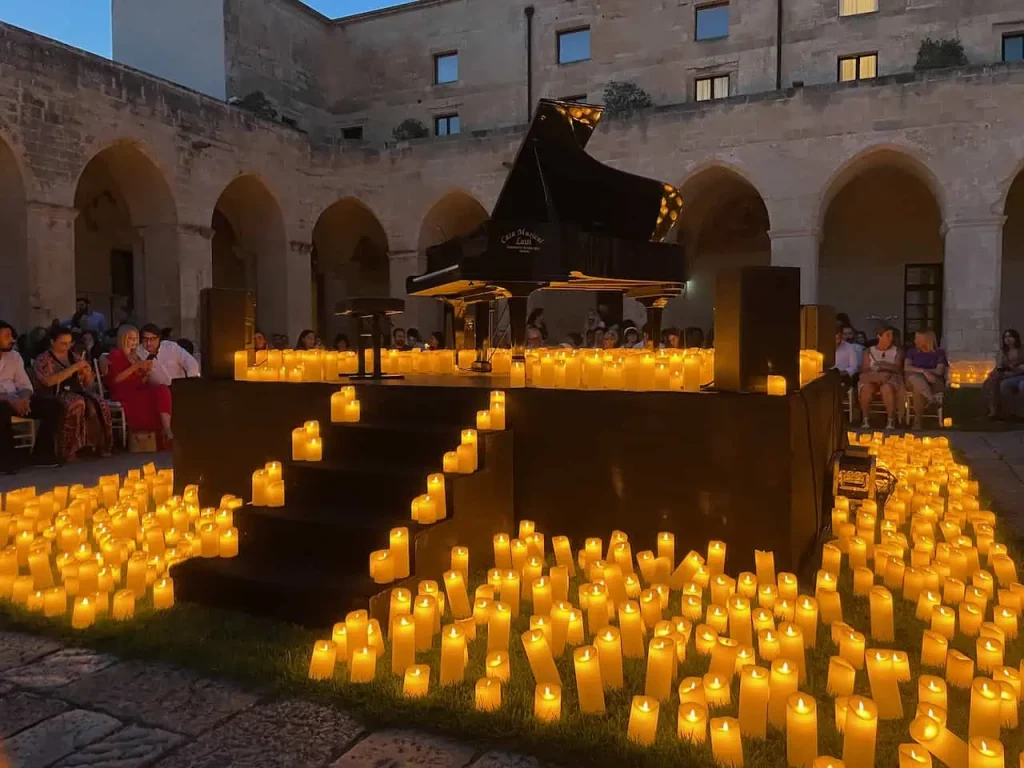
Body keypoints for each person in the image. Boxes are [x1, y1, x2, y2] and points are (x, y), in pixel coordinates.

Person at [32, 326, 113, 462]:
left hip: (76, 391)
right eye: (63, 343)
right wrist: (72, 369)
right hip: (54, 394)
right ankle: (69, 450)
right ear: (52, 342)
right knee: (76, 403)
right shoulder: (43, 359)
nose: (67, 346)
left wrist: (87, 374)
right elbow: (48, 381)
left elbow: (87, 384)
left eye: (69, 343)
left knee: (99, 402)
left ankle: (99, 445)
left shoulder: (74, 357)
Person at [0, 321, 61, 471]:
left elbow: (25, 385)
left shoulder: (14, 357)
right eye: (7, 336)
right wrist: (10, 400)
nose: (12, 340)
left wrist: (24, 399)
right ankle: (5, 461)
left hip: (17, 398)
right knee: (2, 410)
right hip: (3, 401)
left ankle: (41, 455)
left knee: (54, 406)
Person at [104, 324, 173, 447]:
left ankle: (167, 428)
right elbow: (116, 379)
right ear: (123, 339)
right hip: (123, 391)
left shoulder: (135, 356)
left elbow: (141, 381)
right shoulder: (116, 354)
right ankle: (165, 430)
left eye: (136, 339)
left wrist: (146, 372)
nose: (134, 342)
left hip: (138, 389)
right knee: (155, 394)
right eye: (130, 338)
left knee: (162, 388)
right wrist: (135, 367)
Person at [859, 326, 904, 430]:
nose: (891, 338)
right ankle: (865, 419)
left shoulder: (898, 351)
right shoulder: (869, 351)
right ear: (879, 336)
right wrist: (876, 375)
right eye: (888, 335)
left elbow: (897, 368)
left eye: (892, 335)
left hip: (891, 378)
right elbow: (865, 369)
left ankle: (891, 420)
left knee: (887, 388)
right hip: (873, 377)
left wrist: (883, 365)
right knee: (866, 388)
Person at [904, 330, 948, 429]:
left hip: (934, 382)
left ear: (925, 340)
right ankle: (931, 399)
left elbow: (939, 371)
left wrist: (923, 373)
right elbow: (906, 367)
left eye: (917, 338)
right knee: (916, 379)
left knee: (917, 387)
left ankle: (917, 421)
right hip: (914, 380)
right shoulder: (912, 351)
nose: (915, 341)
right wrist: (924, 372)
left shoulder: (939, 353)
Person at [983, 329, 1024, 418]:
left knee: (994, 381)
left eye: (1010, 336)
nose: (1008, 339)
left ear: (1015, 338)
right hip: (1005, 373)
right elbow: (999, 365)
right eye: (1005, 337)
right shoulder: (1003, 351)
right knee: (991, 381)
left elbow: (1021, 368)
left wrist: (1013, 368)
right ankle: (993, 409)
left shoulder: (1021, 350)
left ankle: (994, 410)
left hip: (1018, 374)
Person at [833, 324, 862, 394]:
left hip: (843, 377)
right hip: (826, 377)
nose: (837, 337)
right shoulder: (823, 346)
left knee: (838, 387)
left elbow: (854, 367)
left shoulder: (849, 347)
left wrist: (845, 372)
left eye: (839, 335)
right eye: (835, 335)